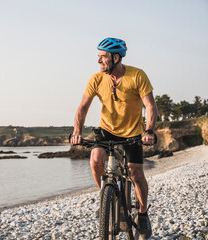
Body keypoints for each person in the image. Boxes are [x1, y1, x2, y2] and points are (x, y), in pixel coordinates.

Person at [70, 37, 158, 239]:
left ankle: (143, 215)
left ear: (116, 58)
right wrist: (77, 132)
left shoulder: (137, 75)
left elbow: (151, 106)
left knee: (136, 172)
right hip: (106, 129)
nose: (98, 61)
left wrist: (149, 131)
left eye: (103, 57)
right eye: (98, 56)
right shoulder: (96, 79)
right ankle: (106, 201)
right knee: (94, 161)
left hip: (133, 133)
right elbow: (82, 108)